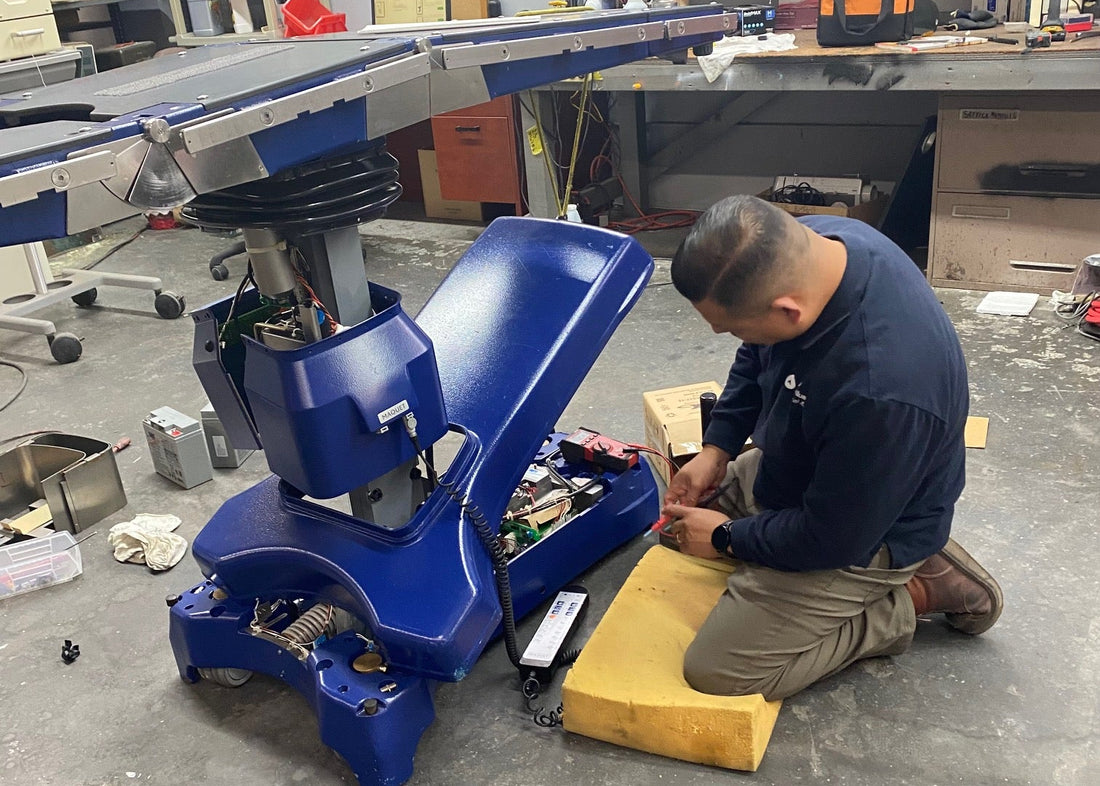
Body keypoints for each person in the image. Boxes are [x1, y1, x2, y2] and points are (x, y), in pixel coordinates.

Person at [662, 195, 1003, 702]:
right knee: (676, 528)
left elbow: (830, 537)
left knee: (719, 673)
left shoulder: (882, 389)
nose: (725, 335)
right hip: (819, 469)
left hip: (862, 531)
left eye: (731, 327)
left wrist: (726, 537)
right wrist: (717, 449)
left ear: (788, 309)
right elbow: (757, 352)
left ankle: (915, 591)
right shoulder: (816, 244)